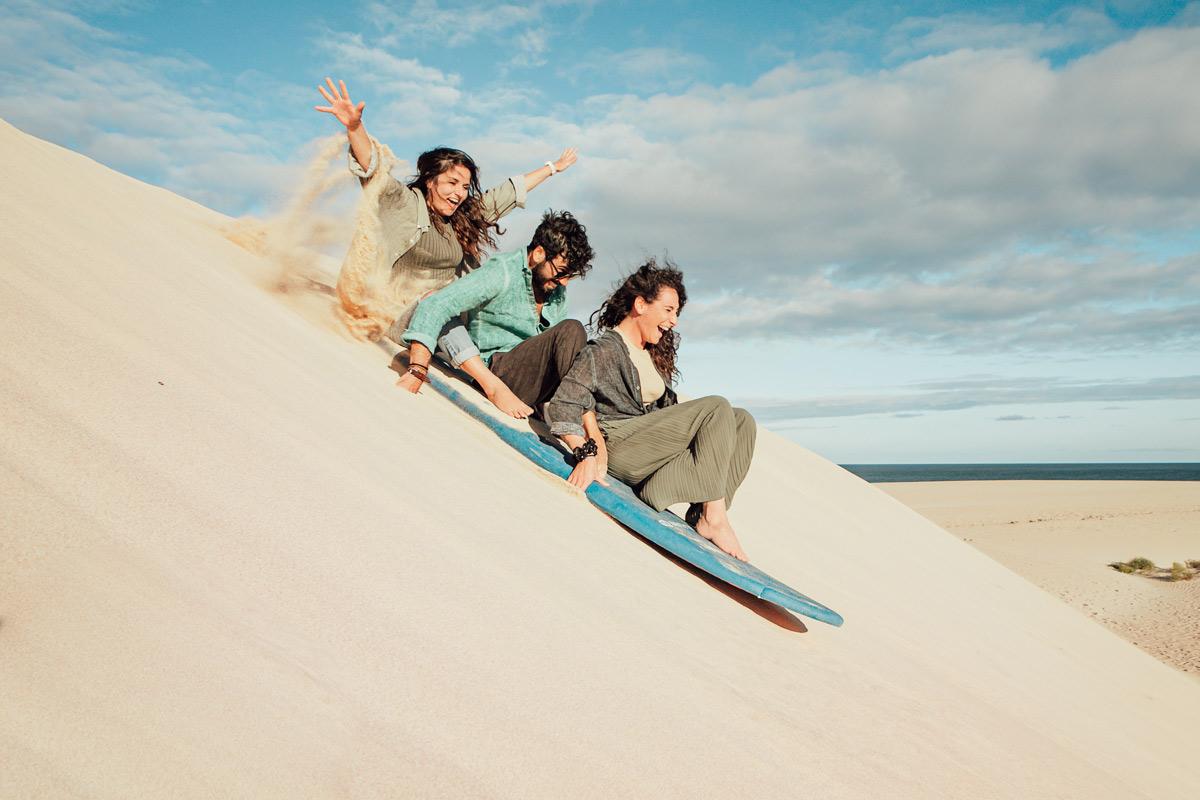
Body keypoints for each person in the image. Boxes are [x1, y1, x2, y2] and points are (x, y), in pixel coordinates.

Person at [314, 77, 577, 344]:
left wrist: (553, 167)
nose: (459, 193)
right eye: (452, 183)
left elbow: (506, 194)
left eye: (464, 186)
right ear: (430, 181)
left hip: (435, 321)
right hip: (388, 313)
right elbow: (373, 168)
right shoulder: (402, 202)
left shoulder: (462, 219)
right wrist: (355, 127)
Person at [546, 261, 757, 561]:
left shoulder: (652, 356)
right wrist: (586, 454)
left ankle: (701, 513)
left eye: (677, 313)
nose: (674, 321)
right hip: (621, 446)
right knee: (716, 407)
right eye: (669, 310)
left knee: (741, 421)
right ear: (641, 305)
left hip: (648, 456)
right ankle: (715, 519)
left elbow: (669, 418)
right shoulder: (605, 350)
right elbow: (565, 403)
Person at [399, 211, 595, 419]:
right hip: (499, 370)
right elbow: (436, 304)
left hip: (533, 386)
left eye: (570, 276)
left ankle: (586, 422)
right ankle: (581, 423)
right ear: (538, 254)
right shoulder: (502, 271)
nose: (564, 282)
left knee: (588, 350)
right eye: (561, 272)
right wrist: (418, 368)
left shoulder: (556, 292)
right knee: (572, 329)